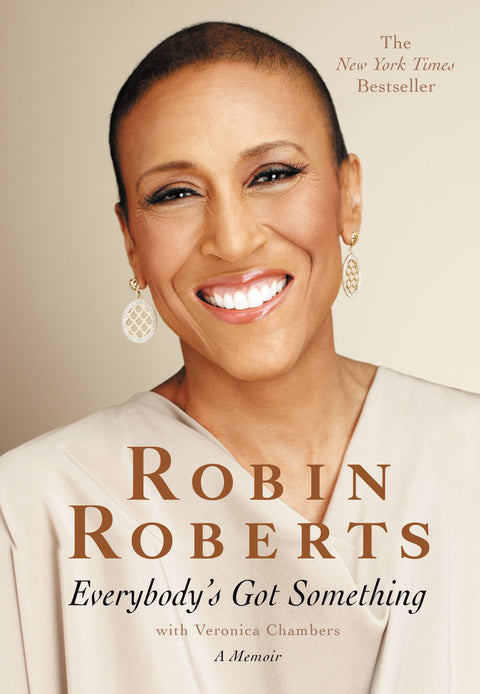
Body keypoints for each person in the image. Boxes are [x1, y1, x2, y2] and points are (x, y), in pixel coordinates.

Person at [1, 21, 479, 694]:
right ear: (131, 241)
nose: (231, 240)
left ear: (349, 196)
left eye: (272, 175)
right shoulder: (28, 515)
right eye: (175, 194)